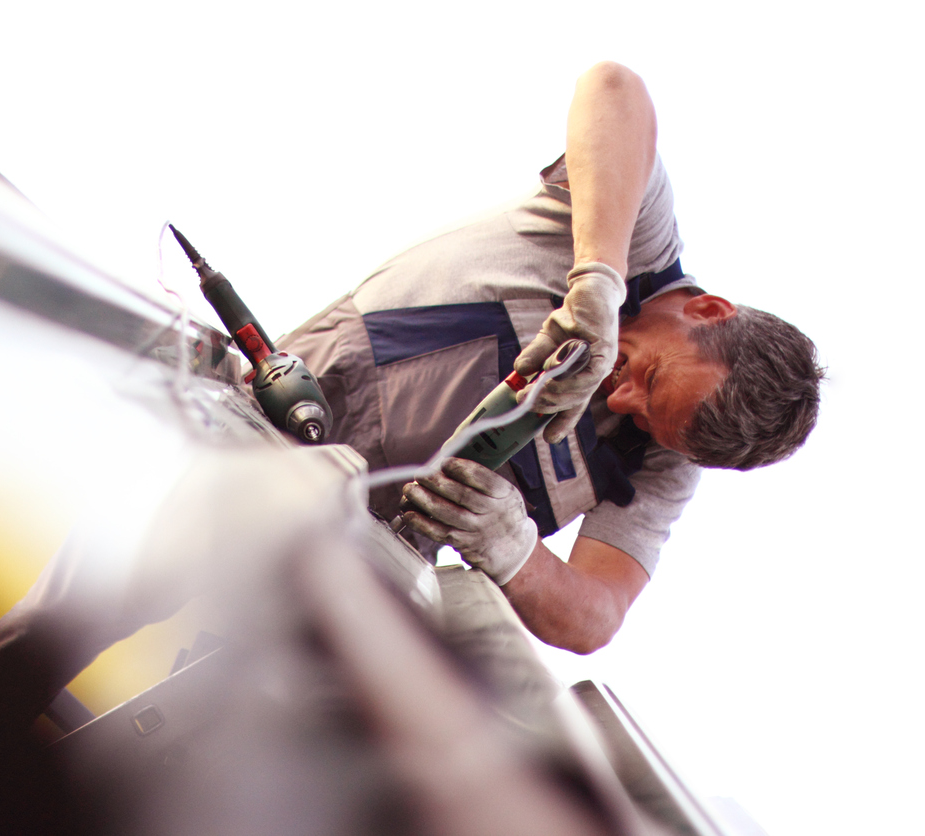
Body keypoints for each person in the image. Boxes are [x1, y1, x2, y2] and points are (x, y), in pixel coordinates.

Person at [277, 61, 823, 654]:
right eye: (652, 378)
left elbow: (595, 620)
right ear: (709, 311)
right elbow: (615, 88)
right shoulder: (639, 237)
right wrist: (598, 282)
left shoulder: (663, 465)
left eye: (644, 420)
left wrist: (516, 550)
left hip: (343, 563)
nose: (619, 401)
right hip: (269, 418)